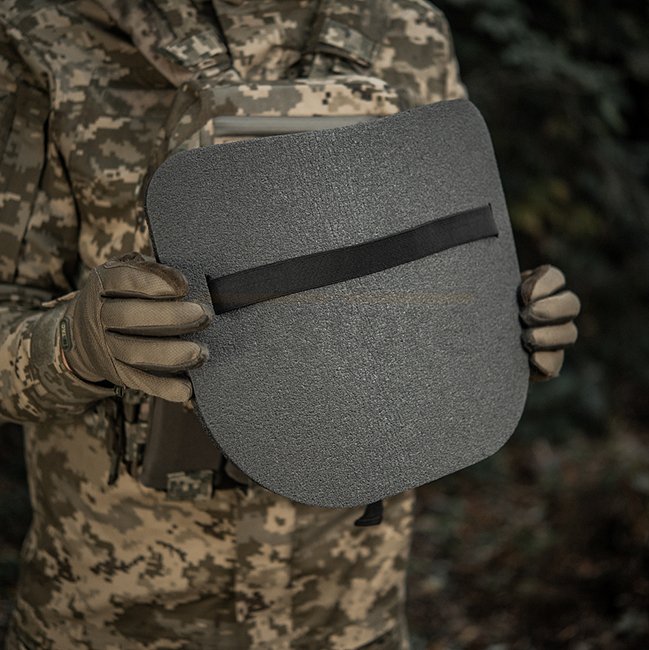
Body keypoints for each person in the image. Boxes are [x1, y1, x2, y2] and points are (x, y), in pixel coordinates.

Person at [0, 1, 580, 648]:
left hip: (350, 614)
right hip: (120, 620)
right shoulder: (48, 33)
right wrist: (72, 346)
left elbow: (439, 255)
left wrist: (503, 323)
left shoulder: (406, 28)